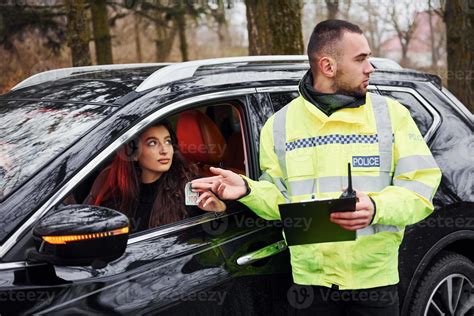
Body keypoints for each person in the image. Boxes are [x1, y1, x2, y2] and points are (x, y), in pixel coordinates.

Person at [191, 20, 442, 315]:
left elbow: (422, 187)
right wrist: (248, 189)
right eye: (360, 59)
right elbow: (281, 202)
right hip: (310, 285)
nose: (370, 67)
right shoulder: (279, 126)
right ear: (328, 66)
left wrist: (376, 207)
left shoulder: (392, 116)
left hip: (374, 282)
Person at [85, 120, 225, 232]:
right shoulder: (115, 188)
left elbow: (210, 235)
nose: (164, 150)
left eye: (167, 141)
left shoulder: (190, 186)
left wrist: (218, 210)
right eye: (153, 143)